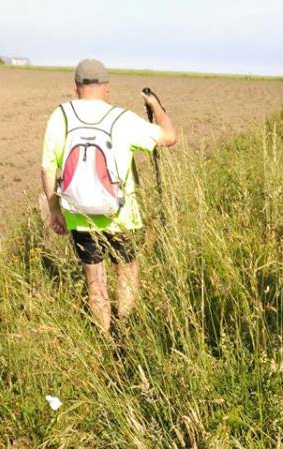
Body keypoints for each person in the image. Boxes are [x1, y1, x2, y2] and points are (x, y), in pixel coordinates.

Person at [41, 58, 176, 333]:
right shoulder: (121, 118)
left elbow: (47, 167)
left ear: (76, 87)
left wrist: (55, 211)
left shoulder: (61, 116)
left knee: (95, 283)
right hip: (122, 216)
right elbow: (168, 137)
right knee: (126, 271)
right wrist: (157, 107)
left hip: (79, 216)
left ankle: (103, 338)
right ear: (107, 88)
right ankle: (122, 332)